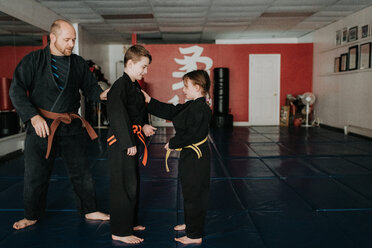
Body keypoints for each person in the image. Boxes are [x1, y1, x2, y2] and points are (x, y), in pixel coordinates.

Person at [9, 19, 110, 230]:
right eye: (67, 40)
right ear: (52, 38)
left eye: (73, 40)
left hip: (71, 125)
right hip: (41, 126)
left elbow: (91, 89)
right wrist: (32, 117)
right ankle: (31, 215)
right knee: (36, 174)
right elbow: (16, 90)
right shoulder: (33, 61)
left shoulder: (79, 63)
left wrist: (104, 94)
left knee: (82, 171)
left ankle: (89, 209)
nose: (71, 44)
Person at [142, 70, 212, 245]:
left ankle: (194, 235)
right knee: (189, 191)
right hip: (190, 155)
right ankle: (190, 224)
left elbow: (193, 133)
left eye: (186, 86)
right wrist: (150, 102)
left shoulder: (201, 108)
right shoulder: (193, 104)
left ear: (197, 87)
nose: (183, 89)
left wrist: (172, 143)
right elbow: (173, 111)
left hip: (197, 157)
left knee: (194, 194)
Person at [106, 45, 156, 244]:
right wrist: (127, 142)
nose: (146, 71)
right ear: (130, 63)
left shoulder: (134, 86)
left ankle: (130, 222)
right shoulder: (119, 85)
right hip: (121, 142)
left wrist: (144, 126)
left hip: (132, 138)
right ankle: (119, 230)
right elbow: (117, 114)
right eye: (143, 67)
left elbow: (135, 113)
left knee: (132, 183)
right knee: (122, 185)